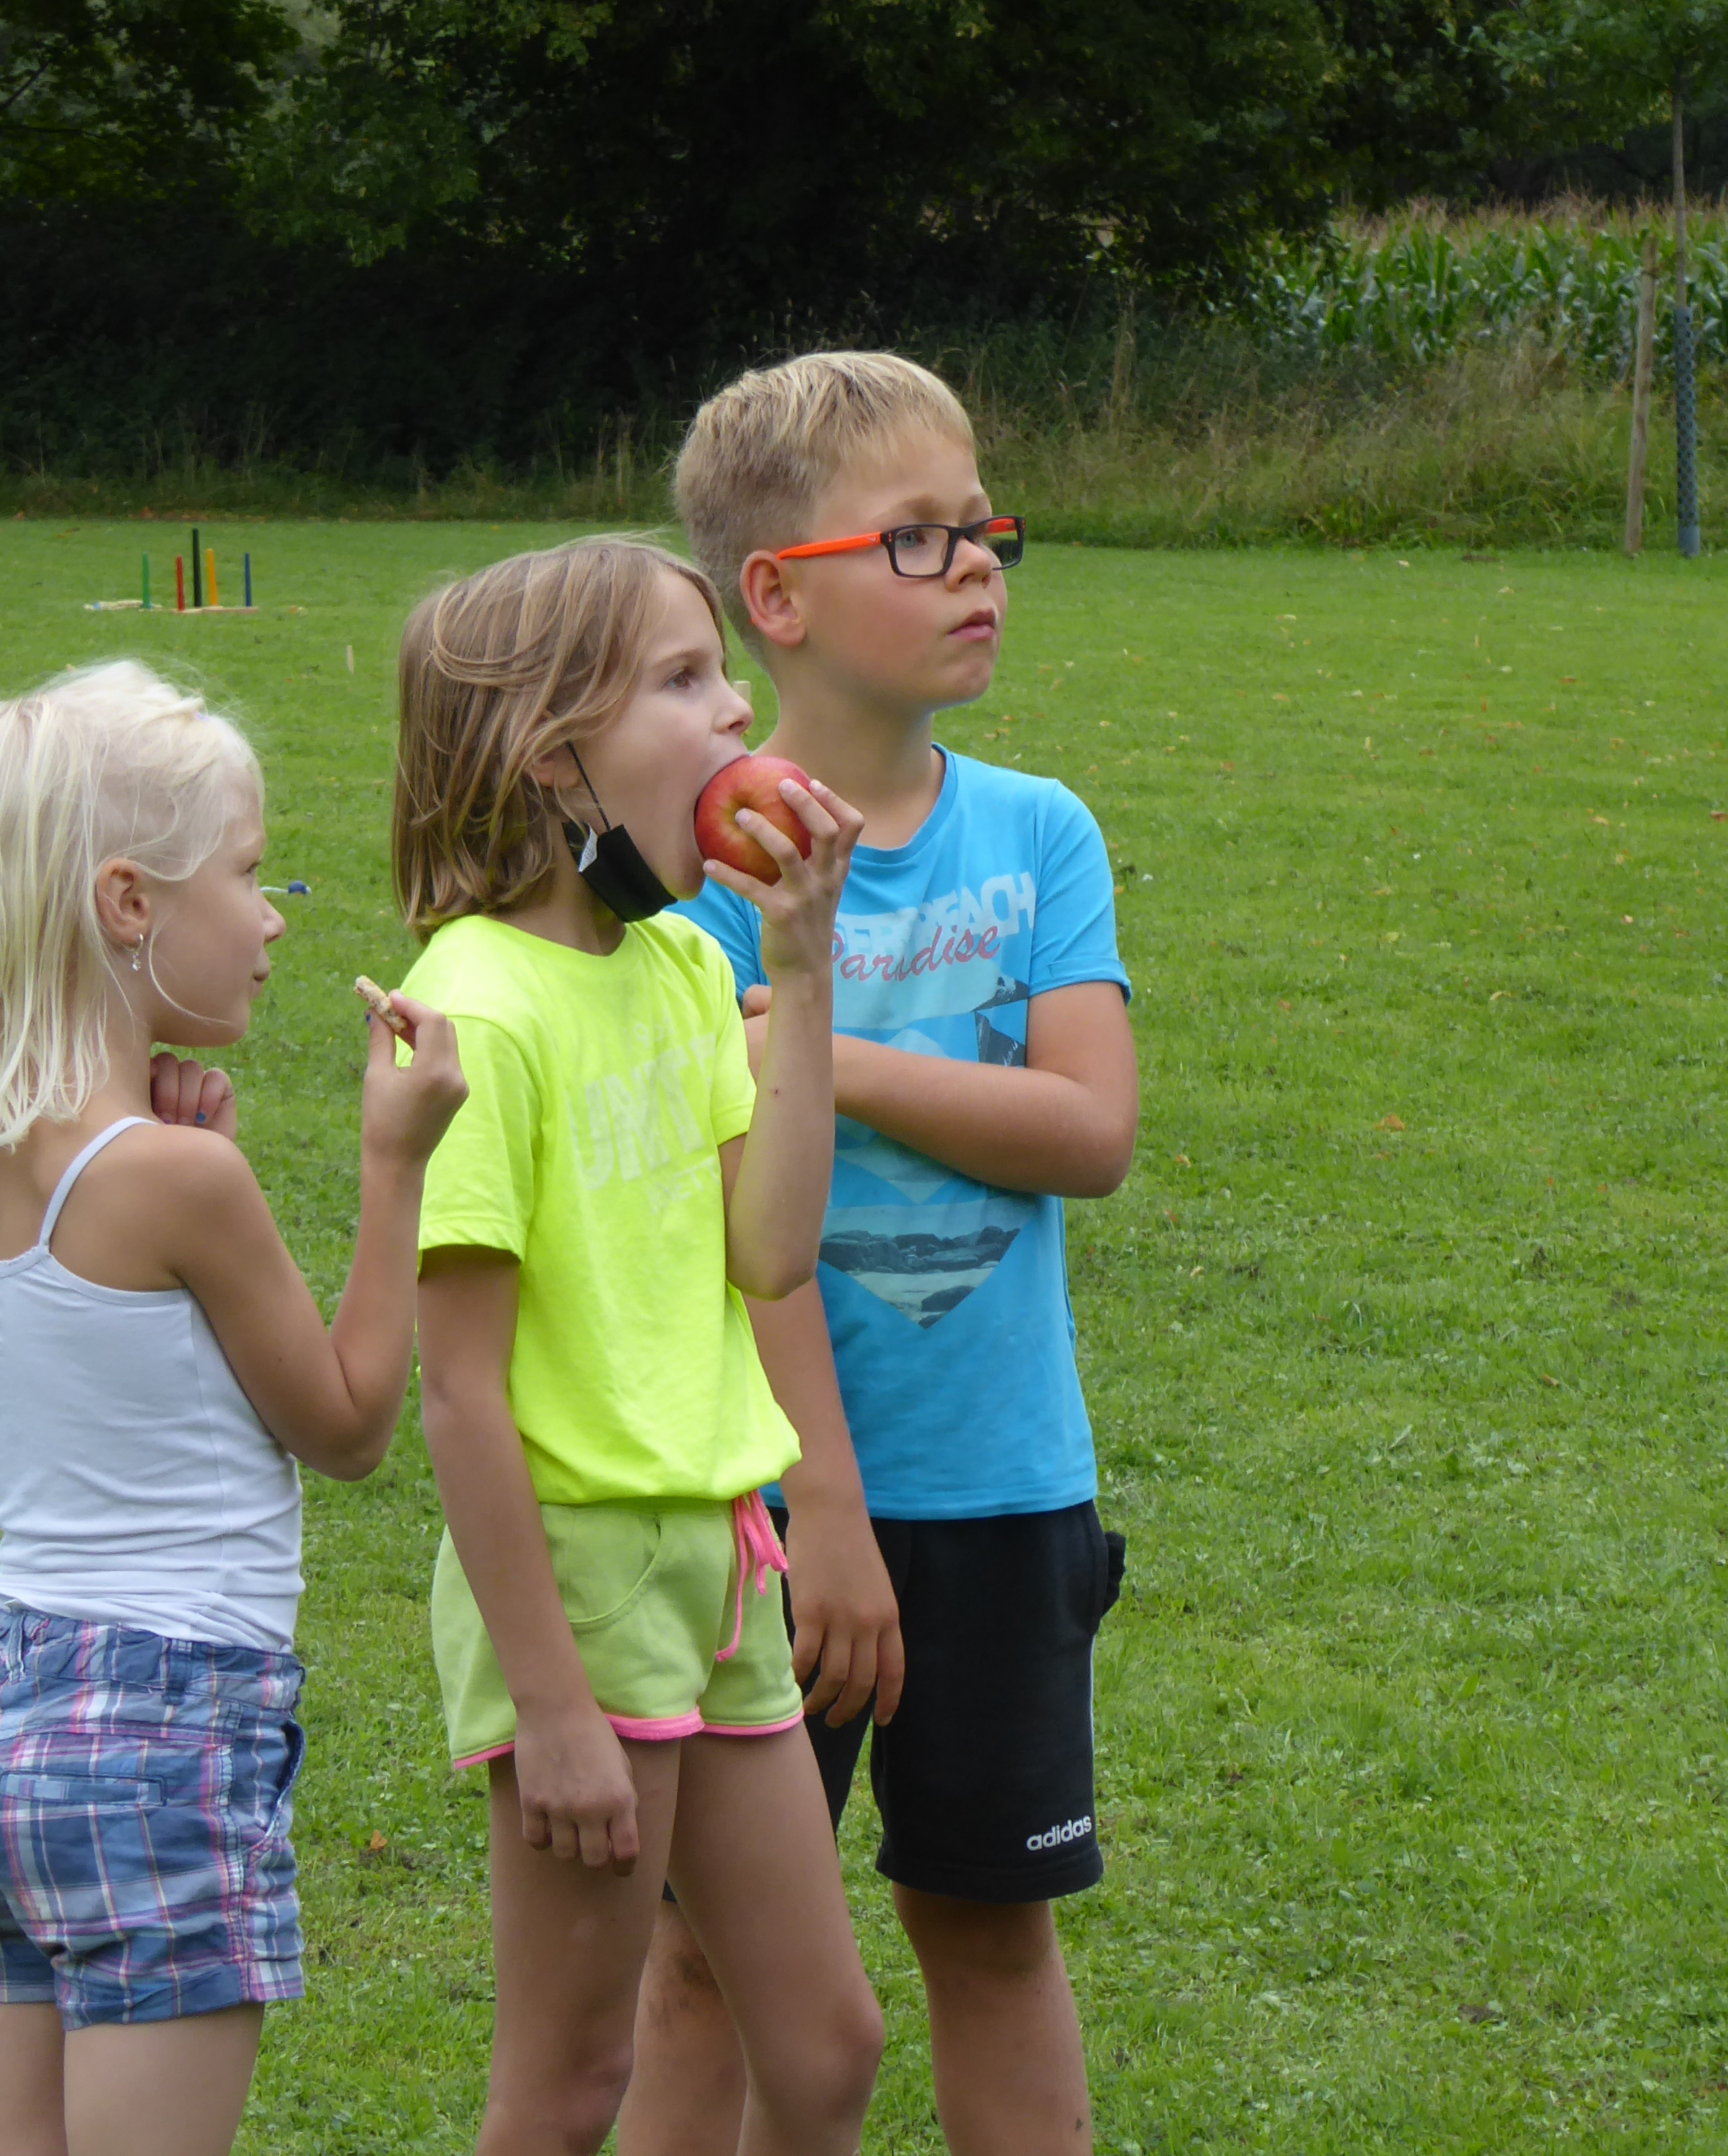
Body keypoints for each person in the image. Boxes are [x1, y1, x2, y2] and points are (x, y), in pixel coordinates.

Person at [625, 351, 1140, 2156]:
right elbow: (731, 1249)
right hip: (763, 1512)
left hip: (1004, 1491)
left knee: (988, 1933)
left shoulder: (1037, 831)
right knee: (703, 1967)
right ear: (776, 596)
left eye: (981, 527)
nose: (977, 564)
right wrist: (823, 1515)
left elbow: (1087, 1130)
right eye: (916, 538)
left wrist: (818, 1054)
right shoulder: (691, 883)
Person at [0, 659, 466, 2156]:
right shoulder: (181, 1179)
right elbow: (348, 1425)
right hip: (161, 1729)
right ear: (129, 904)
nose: (273, 916)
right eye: (249, 873)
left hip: (1, 1719)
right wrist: (395, 1163)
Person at [392, 536, 887, 2155]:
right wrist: (548, 1706)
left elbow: (771, 1252)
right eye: (681, 679)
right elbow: (461, 1397)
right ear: (555, 760)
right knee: (566, 2088)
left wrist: (799, 967)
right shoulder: (478, 1005)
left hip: (721, 1556)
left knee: (824, 2052)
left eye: (719, 671)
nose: (736, 707)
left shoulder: (683, 962)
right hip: (582, 1583)